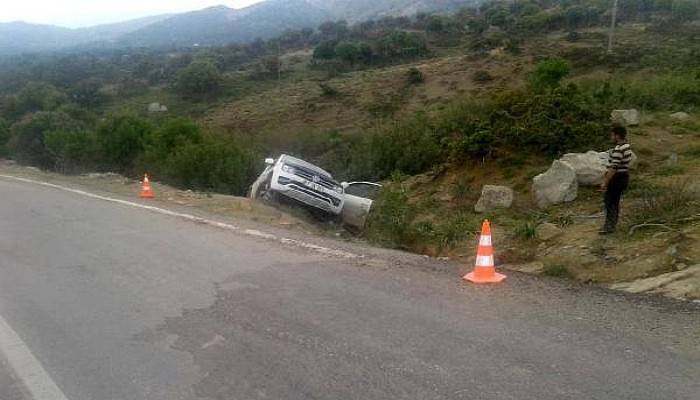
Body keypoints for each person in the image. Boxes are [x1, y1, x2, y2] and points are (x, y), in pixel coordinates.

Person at [600, 125, 633, 234]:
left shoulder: (619, 149)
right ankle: (612, 225)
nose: (611, 137)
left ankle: (609, 226)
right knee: (615, 201)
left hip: (617, 178)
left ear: (617, 136)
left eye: (612, 135)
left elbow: (614, 167)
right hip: (624, 176)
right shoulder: (627, 146)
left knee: (610, 202)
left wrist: (605, 182)